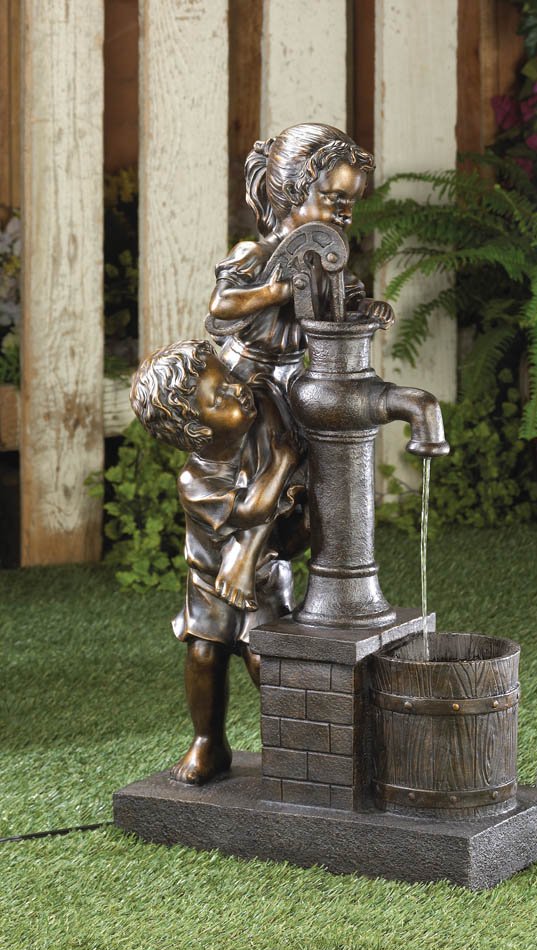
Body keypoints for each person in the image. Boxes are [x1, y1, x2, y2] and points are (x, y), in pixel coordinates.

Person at [130, 339, 300, 784]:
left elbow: (265, 390)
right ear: (198, 430)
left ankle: (296, 748)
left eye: (226, 378)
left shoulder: (256, 423)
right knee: (204, 655)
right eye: (220, 396)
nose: (235, 389)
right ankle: (208, 742)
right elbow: (253, 510)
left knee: (266, 660)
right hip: (207, 582)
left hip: (264, 576)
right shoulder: (196, 480)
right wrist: (281, 464)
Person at [205, 122, 394, 403]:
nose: (346, 214)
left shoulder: (325, 262)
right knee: (274, 430)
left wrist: (366, 306)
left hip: (295, 374)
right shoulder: (255, 254)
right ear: (294, 191)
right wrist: (274, 292)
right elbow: (221, 304)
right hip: (248, 377)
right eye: (335, 198)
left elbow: (346, 299)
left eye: (352, 203)